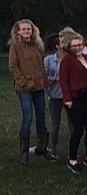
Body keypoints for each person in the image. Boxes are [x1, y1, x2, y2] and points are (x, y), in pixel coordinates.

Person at [9, 19, 52, 165]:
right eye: (24, 29)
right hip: (24, 88)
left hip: (39, 87)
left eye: (29, 29)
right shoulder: (15, 46)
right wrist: (24, 82)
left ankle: (42, 147)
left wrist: (45, 80)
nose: (27, 31)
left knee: (41, 116)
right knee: (28, 117)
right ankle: (24, 151)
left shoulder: (37, 45)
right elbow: (13, 67)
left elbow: (41, 66)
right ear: (18, 31)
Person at [59, 28, 87, 174]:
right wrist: (67, 99)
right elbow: (63, 81)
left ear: (83, 45)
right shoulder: (67, 61)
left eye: (79, 45)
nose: (77, 47)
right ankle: (72, 160)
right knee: (78, 129)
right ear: (69, 47)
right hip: (74, 98)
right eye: (74, 46)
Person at [43, 33, 70, 161]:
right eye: (62, 42)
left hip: (69, 96)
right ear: (57, 46)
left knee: (72, 125)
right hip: (54, 96)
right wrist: (55, 79)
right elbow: (44, 78)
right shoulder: (48, 60)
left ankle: (72, 152)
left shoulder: (70, 58)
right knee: (55, 124)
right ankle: (53, 151)